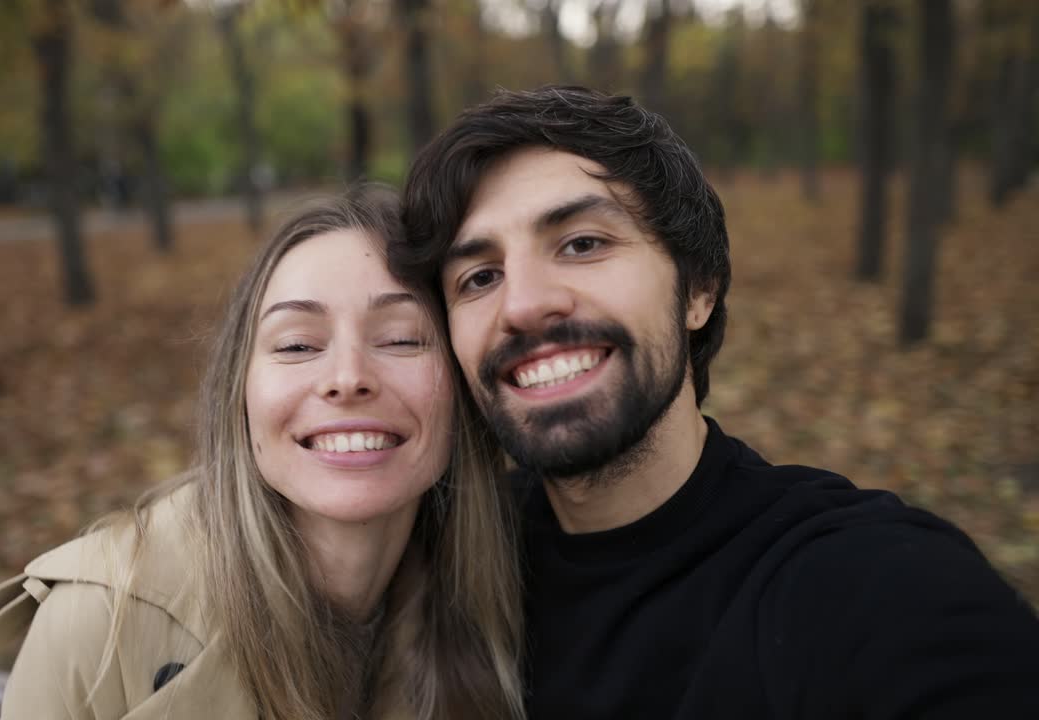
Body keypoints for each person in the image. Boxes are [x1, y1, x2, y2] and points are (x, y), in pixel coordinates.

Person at [392, 86, 1039, 718]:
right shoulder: (439, 564)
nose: (525, 304)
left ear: (698, 288)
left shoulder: (874, 586)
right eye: (479, 277)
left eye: (582, 243)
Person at [0, 187, 524, 720]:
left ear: (461, 385)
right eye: (298, 344)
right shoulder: (97, 626)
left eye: (401, 338)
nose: (348, 378)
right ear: (241, 393)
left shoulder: (516, 601)